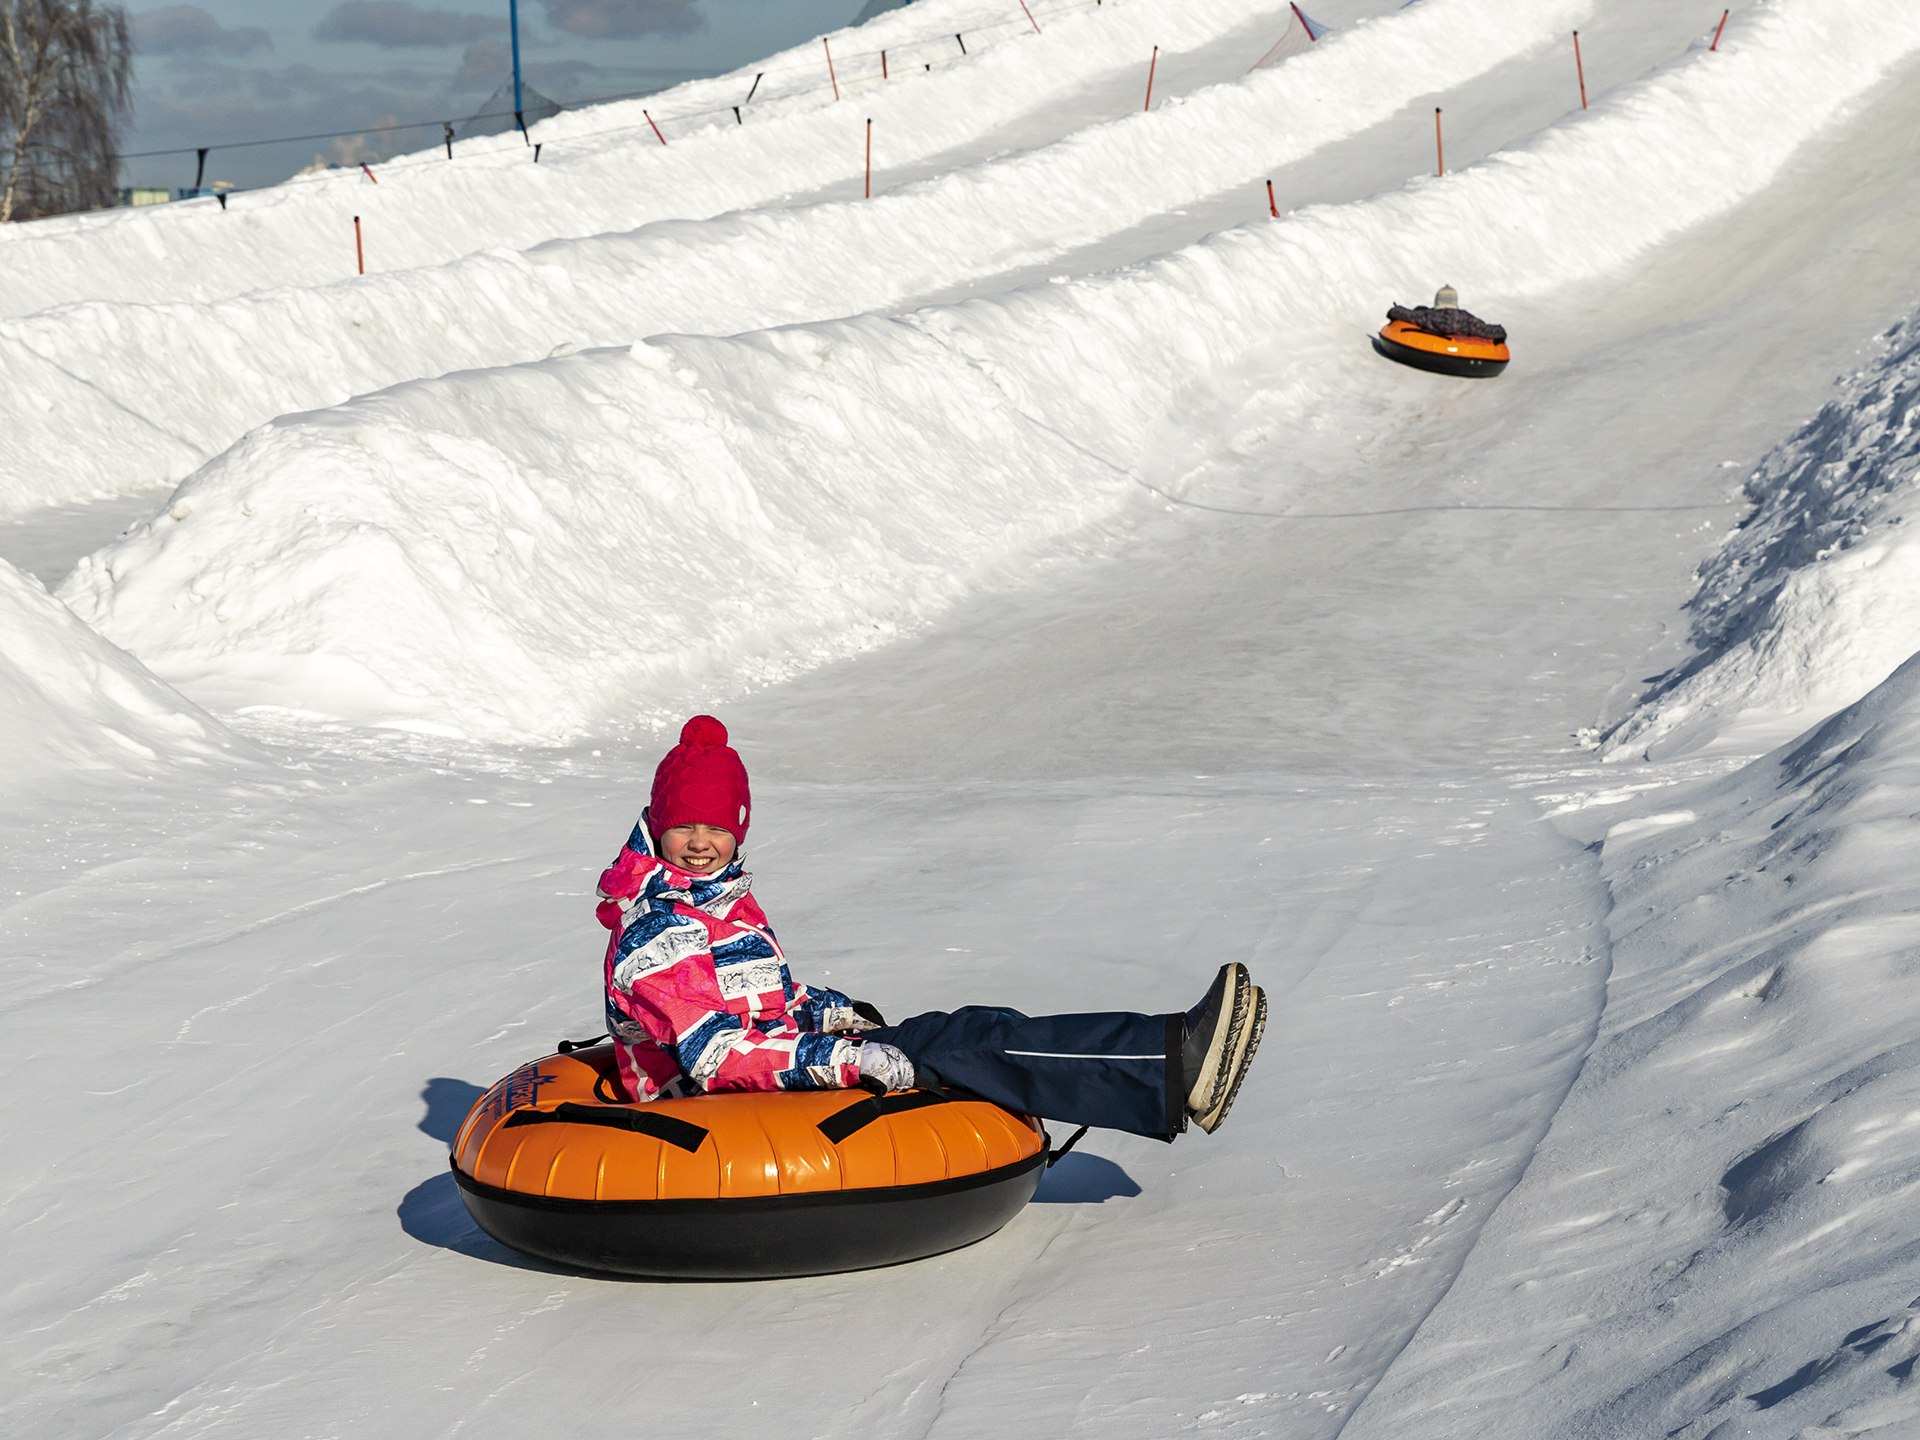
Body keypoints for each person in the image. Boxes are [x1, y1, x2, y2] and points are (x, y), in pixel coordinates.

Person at [597, 715, 1265, 1140]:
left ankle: (1168, 1067)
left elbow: (764, 1003)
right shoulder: (658, 930)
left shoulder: (719, 903)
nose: (699, 843)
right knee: (962, 1050)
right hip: (697, 1109)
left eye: (716, 827)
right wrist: (845, 1058)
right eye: (684, 825)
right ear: (659, 825)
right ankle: (1170, 1065)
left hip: (771, 1072)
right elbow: (713, 1052)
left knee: (974, 1025)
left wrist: (829, 1013)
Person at [1387, 284, 1508, 343]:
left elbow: (1408, 315)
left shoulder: (1430, 317)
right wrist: (1500, 334)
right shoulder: (1466, 319)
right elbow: (1485, 329)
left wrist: (1393, 311)